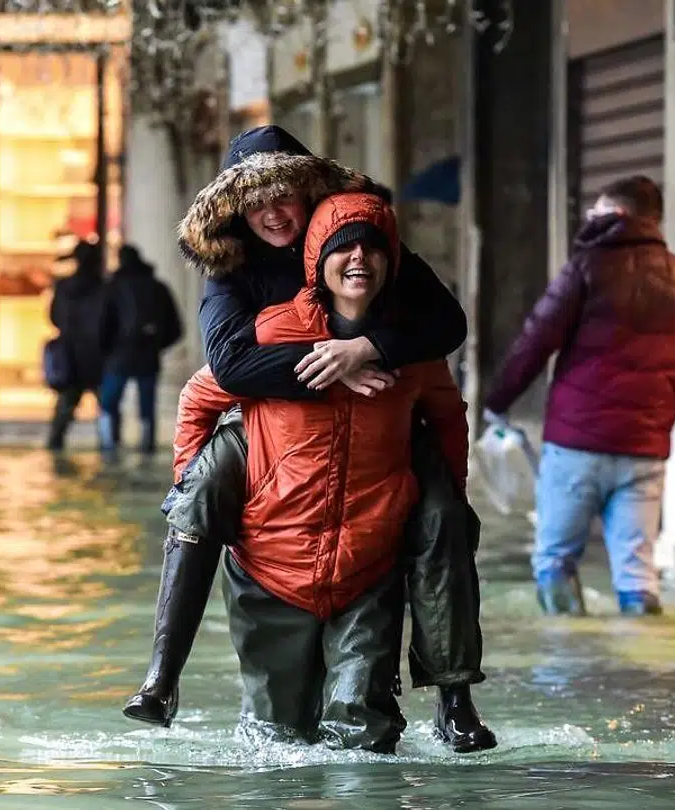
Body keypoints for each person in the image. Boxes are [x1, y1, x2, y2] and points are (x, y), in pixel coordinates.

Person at [124, 125, 493, 753]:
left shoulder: (360, 243)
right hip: (263, 420)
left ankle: (455, 694)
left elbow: (448, 326)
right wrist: (333, 365)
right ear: (235, 209)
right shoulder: (233, 267)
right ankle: (162, 677)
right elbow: (224, 372)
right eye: (256, 202)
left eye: (284, 196)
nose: (273, 213)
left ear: (310, 195)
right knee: (199, 490)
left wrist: (369, 346)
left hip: (381, 425)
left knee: (445, 514)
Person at [483, 175, 675, 616]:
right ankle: (641, 651)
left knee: (554, 561)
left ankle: (562, 652)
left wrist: (496, 402)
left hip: (575, 448)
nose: (590, 218)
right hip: (643, 454)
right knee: (637, 572)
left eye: (598, 211)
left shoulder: (585, 269)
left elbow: (534, 341)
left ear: (619, 216)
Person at [97, 245, 182, 454]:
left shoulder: (113, 287)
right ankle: (147, 446)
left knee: (109, 402)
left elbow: (103, 324)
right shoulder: (158, 288)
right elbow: (175, 327)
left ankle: (109, 445)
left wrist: (106, 349)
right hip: (148, 355)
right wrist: (157, 345)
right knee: (147, 403)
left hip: (118, 356)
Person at [46, 239, 109, 450]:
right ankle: (108, 447)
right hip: (99, 356)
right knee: (106, 411)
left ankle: (55, 445)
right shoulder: (105, 288)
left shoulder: (64, 287)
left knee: (64, 408)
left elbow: (54, 317)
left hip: (70, 355)